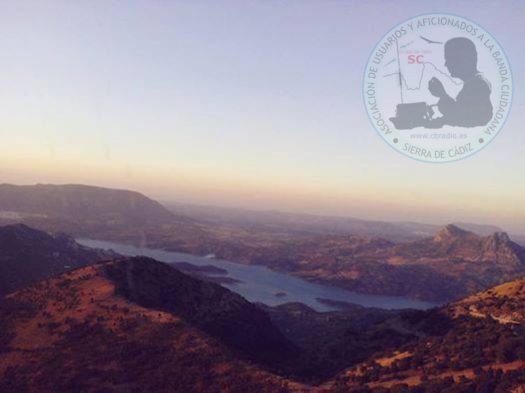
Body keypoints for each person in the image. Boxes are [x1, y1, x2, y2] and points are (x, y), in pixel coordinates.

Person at [427, 37, 493, 128]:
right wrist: (441, 121)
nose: (446, 64)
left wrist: (442, 95)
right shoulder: (476, 82)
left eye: (450, 59)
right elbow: (462, 113)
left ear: (464, 59)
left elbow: (466, 116)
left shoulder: (477, 84)